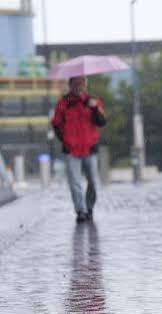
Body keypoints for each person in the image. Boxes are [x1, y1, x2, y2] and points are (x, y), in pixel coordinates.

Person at [51, 76, 106, 222]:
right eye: (75, 84)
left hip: (90, 147)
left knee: (93, 180)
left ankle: (89, 207)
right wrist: (65, 139)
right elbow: (56, 123)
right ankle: (80, 210)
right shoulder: (63, 103)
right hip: (71, 149)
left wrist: (94, 108)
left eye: (81, 83)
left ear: (85, 85)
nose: (78, 87)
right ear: (70, 85)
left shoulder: (93, 101)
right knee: (74, 182)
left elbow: (101, 122)